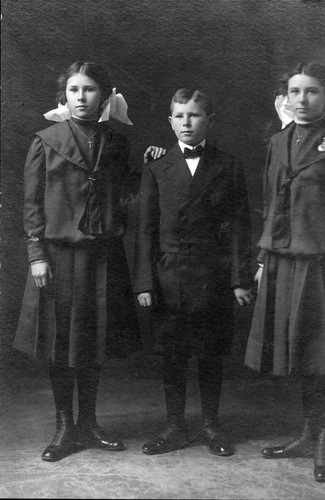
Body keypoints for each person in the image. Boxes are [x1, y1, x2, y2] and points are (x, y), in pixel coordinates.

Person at [14, 61, 164, 462]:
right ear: (65, 96)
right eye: (75, 90)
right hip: (58, 256)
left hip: (102, 256)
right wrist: (35, 253)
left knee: (93, 341)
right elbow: (31, 202)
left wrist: (146, 170)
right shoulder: (46, 140)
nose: (82, 98)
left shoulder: (116, 143)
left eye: (91, 90)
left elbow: (122, 198)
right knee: (61, 342)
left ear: (106, 96)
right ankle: (65, 425)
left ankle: (90, 422)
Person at [244, 61, 325, 482]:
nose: (302, 100)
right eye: (295, 92)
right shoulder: (277, 142)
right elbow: (270, 205)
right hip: (281, 260)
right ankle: (307, 433)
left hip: (322, 265)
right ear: (285, 97)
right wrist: (261, 259)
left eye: (312, 92)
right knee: (298, 352)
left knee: (322, 357)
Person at [133, 88, 253, 457]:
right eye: (179, 116)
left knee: (210, 353)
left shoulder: (228, 165)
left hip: (211, 275)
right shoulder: (156, 167)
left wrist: (239, 278)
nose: (186, 122)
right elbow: (145, 230)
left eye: (194, 115)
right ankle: (174, 427)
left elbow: (239, 226)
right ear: (170, 121)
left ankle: (212, 425)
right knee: (173, 354)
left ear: (209, 121)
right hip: (169, 276)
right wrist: (144, 281)